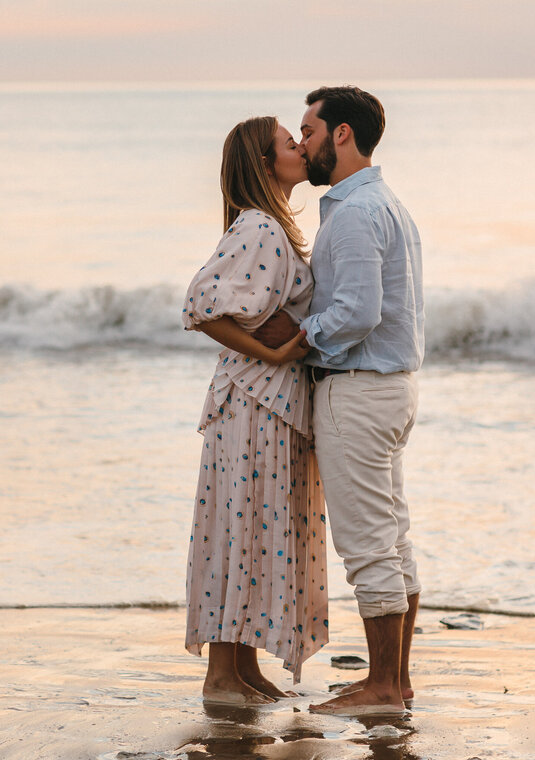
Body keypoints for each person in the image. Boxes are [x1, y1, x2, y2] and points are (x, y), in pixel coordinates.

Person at [259, 85, 425, 716]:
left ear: (343, 134)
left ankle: (383, 687)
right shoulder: (384, 203)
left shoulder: (355, 213)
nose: (302, 143)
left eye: (309, 130)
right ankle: (395, 681)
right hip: (388, 389)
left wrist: (297, 341)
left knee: (369, 548)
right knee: (393, 541)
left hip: (357, 392)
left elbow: (357, 311)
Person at [181, 116, 330, 704]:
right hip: (253, 401)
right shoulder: (261, 227)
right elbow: (200, 303)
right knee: (241, 526)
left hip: (263, 401)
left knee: (251, 526)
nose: (301, 148)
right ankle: (221, 675)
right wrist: (272, 349)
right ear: (267, 164)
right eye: (290, 144)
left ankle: (242, 670)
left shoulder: (271, 227)